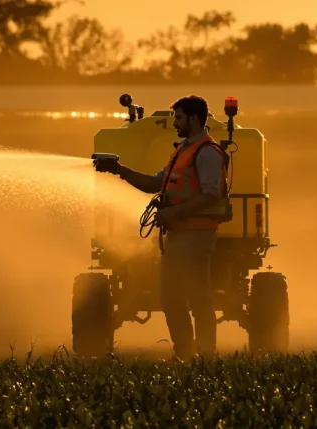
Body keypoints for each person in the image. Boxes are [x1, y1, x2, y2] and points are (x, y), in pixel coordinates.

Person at [93, 95, 230, 360]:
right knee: (171, 297)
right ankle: (186, 354)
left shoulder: (207, 153)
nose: (175, 123)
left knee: (197, 296)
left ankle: (204, 356)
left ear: (194, 118)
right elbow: (154, 183)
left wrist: (173, 213)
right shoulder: (182, 151)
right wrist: (118, 169)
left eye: (179, 117)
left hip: (197, 235)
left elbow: (211, 195)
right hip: (178, 235)